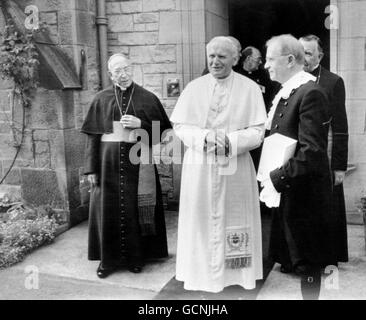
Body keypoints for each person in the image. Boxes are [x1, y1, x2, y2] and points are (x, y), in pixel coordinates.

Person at [171, 36, 267, 292]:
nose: (215, 61)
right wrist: (203, 138)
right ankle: (200, 274)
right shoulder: (194, 87)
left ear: (235, 59)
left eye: (222, 56)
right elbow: (180, 125)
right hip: (200, 166)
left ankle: (236, 276)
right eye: (211, 56)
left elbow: (258, 131)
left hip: (235, 168)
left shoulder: (250, 89)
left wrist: (231, 141)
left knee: (235, 220)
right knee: (200, 221)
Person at [81, 53, 172, 278]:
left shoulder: (147, 98)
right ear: (110, 75)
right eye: (118, 71)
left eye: (126, 69)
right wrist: (91, 169)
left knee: (135, 210)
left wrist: (141, 123)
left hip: (138, 162)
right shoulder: (101, 99)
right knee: (107, 211)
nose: (123, 75)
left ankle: (136, 258)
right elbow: (92, 137)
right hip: (106, 164)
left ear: (132, 69)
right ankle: (107, 262)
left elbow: (164, 133)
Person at [261, 34, 335, 298]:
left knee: (310, 263)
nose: (266, 65)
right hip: (290, 192)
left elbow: (312, 151)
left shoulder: (310, 92)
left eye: (271, 59)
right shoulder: (287, 93)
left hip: (306, 197)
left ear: (290, 59)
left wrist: (277, 177)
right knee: (297, 260)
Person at [299, 34, 349, 264]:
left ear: (320, 55)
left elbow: (341, 126)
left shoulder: (333, 81)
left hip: (323, 155)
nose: (304, 58)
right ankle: (294, 258)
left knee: (324, 207)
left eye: (308, 53)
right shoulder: (291, 79)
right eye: (300, 53)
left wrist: (339, 166)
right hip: (297, 154)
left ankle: (326, 257)